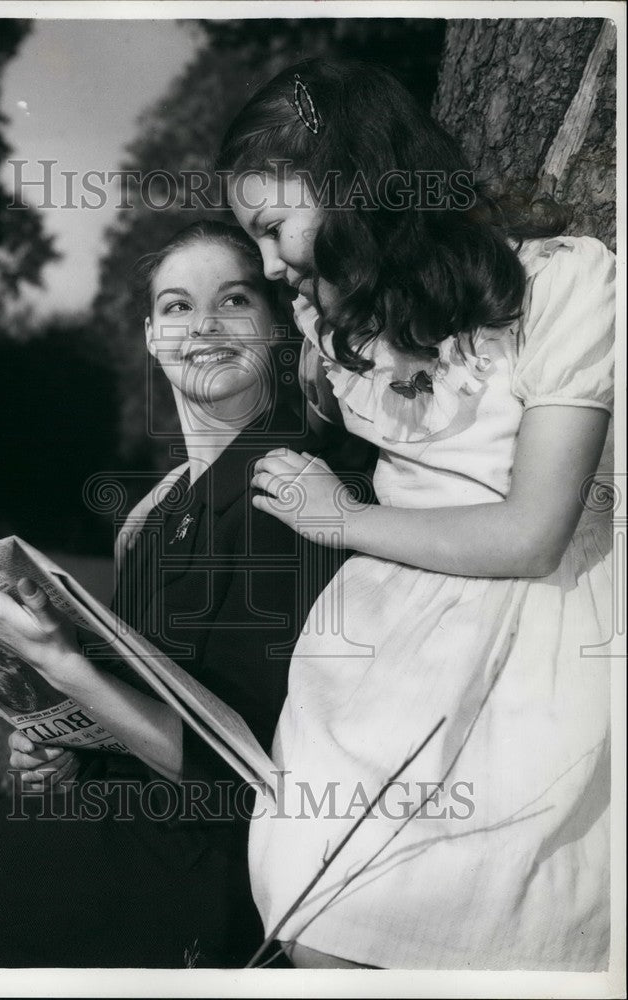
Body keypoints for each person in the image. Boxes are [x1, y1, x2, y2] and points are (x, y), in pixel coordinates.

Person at [0, 221, 359, 968]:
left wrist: (62, 666)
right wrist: (64, 751)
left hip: (207, 873)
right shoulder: (160, 513)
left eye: (234, 300)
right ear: (153, 336)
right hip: (122, 825)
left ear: (279, 325)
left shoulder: (290, 491)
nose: (206, 327)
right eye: (179, 308)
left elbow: (239, 786)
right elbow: (145, 709)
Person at [215, 59, 615, 971]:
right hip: (387, 645)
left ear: (350, 184)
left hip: (538, 630)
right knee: (313, 898)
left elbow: (531, 534)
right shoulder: (333, 325)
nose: (273, 265)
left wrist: (340, 519)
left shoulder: (562, 286)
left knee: (475, 913)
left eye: (275, 229)